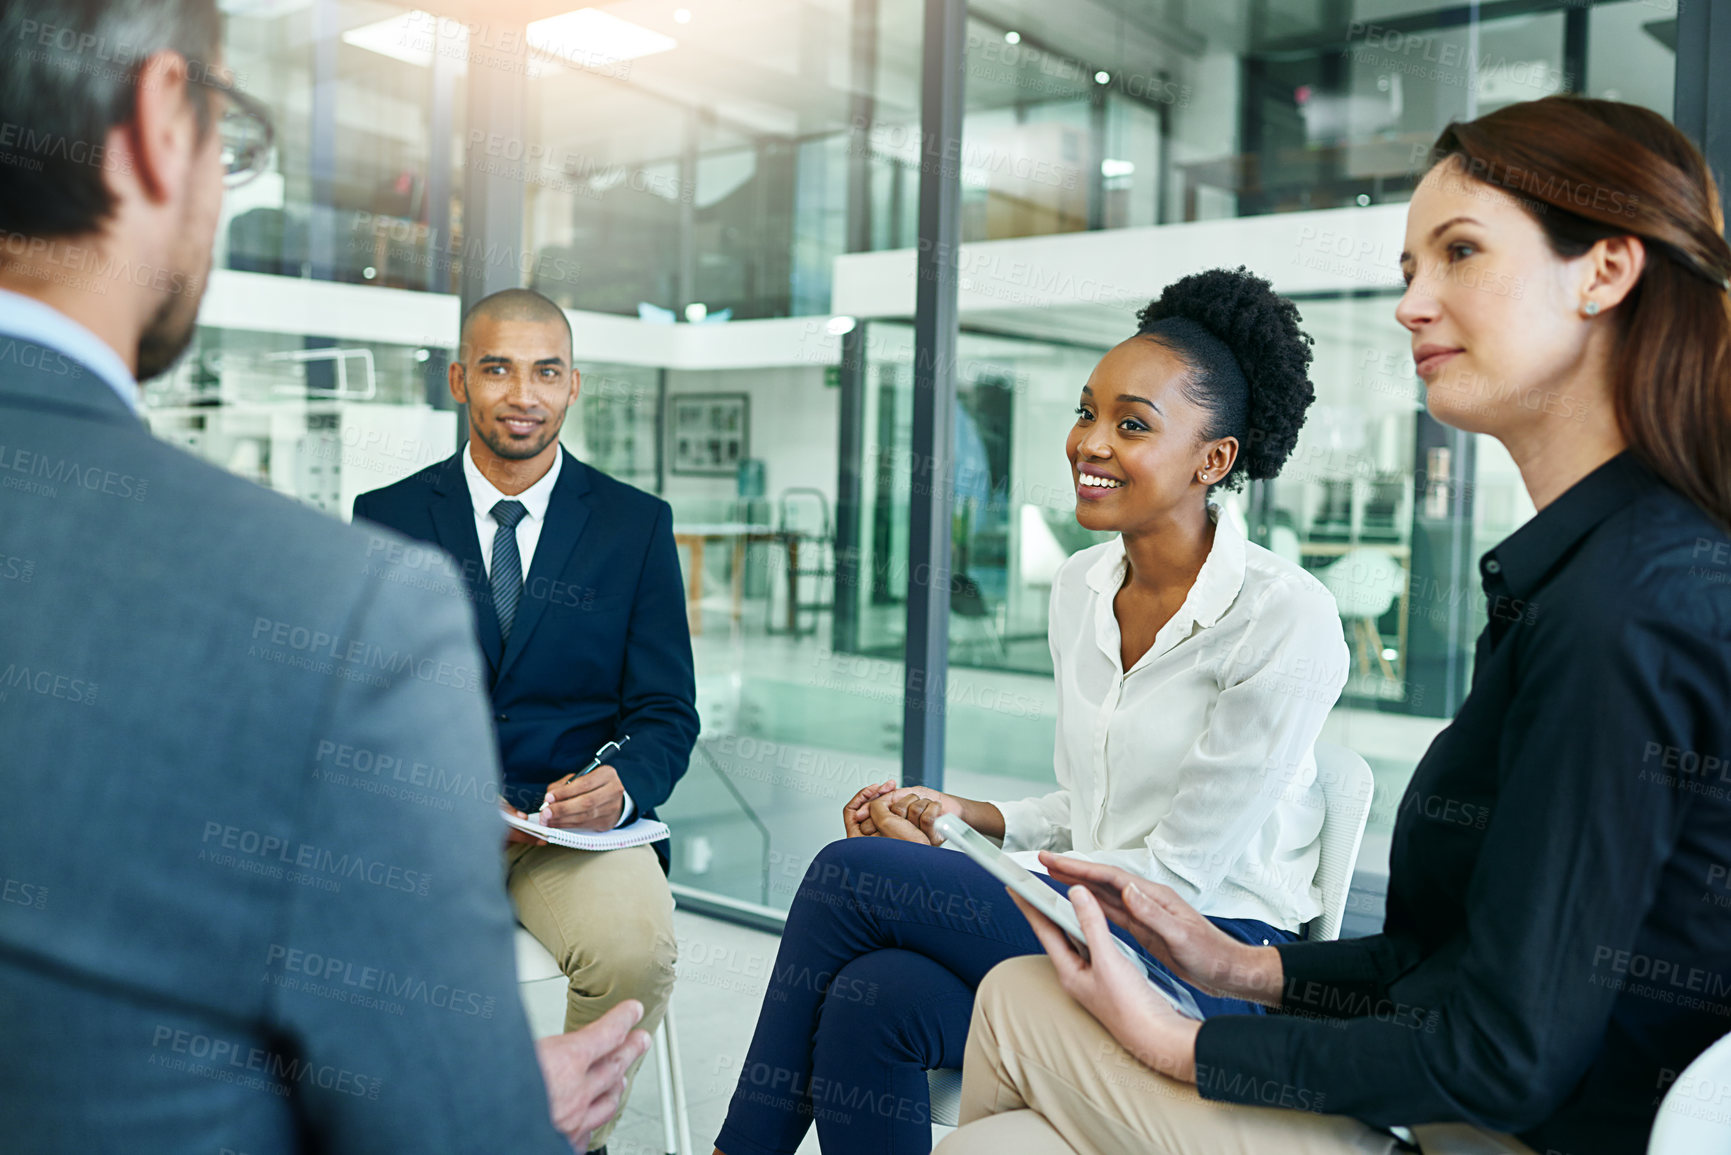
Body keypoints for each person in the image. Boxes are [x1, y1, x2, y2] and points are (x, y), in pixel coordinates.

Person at [939, 95, 1731, 1155]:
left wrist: (1185, 1041)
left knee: (1019, 1027)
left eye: (1458, 252)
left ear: (1605, 271)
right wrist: (1239, 967)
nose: (1413, 302)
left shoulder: (1625, 607)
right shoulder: (1598, 570)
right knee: (1022, 1017)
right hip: (1470, 1115)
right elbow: (1462, 965)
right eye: (1411, 268)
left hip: (1498, 1138)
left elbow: (1500, 1057)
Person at [0, 2, 648, 1150]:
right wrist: (509, 1107)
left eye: (548, 371)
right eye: (229, 132)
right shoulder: (341, 597)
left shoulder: (619, 530)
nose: (524, 394)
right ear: (161, 121)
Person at [713, 267, 1351, 1155]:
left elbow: (1177, 877)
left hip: (1207, 955)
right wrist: (970, 821)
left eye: (1131, 423)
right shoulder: (1081, 585)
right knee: (874, 997)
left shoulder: (1284, 616)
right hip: (1098, 914)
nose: (1088, 441)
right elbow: (1089, 807)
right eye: (1086, 411)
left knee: (848, 873)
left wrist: (971, 865)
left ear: (1214, 460)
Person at [353, 286, 699, 1152]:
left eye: (546, 370)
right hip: (427, 822)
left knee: (633, 953)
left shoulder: (636, 526)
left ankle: (568, 1139)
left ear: (573, 385)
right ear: (459, 379)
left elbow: (666, 710)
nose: (523, 393)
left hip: (570, 832)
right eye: (498, 368)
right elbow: (356, 701)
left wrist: (622, 788)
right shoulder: (385, 517)